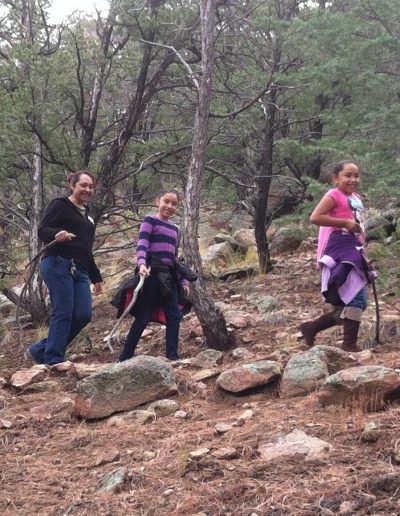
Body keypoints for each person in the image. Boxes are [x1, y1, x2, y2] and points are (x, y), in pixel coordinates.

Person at [26, 171, 103, 366]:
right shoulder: (60, 205)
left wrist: (96, 276)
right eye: (83, 185)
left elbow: (86, 248)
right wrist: (56, 234)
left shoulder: (89, 216)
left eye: (91, 187)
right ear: (72, 186)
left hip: (81, 268)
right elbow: (42, 230)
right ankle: (54, 358)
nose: (87, 189)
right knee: (64, 311)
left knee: (83, 314)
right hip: (58, 262)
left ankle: (41, 349)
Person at [300, 160, 376, 352]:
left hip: (354, 247)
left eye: (356, 176)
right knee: (356, 296)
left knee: (358, 301)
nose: (353, 179)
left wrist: (364, 253)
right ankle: (349, 344)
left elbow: (359, 227)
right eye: (347, 175)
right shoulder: (333, 195)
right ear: (336, 178)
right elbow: (315, 217)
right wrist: (344, 223)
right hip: (340, 247)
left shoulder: (356, 198)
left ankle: (312, 328)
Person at [119, 189, 189, 362]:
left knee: (174, 316)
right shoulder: (149, 220)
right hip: (151, 276)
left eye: (174, 204)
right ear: (158, 201)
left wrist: (184, 280)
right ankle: (125, 358)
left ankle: (172, 358)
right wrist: (141, 264)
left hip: (169, 278)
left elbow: (174, 258)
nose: (169, 206)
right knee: (143, 318)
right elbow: (142, 245)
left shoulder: (176, 229)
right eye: (166, 201)